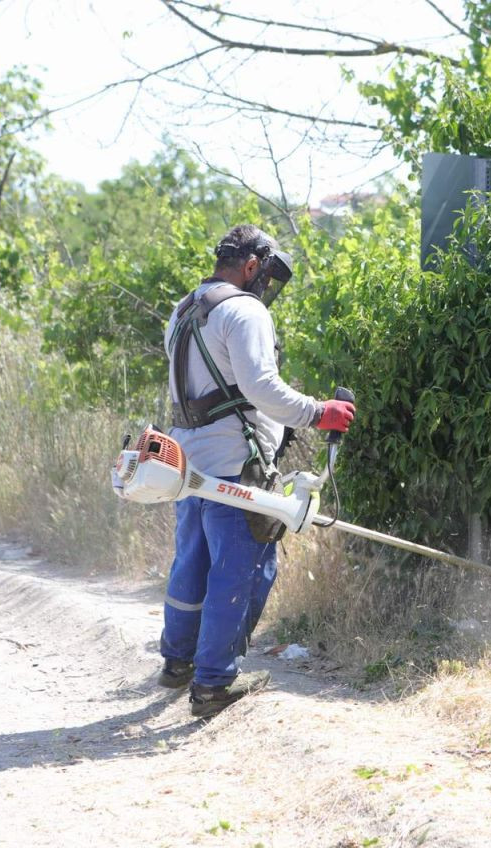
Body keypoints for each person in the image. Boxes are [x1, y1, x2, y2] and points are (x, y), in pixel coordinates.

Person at [158, 224, 355, 718]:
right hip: (234, 468)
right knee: (241, 570)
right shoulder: (245, 311)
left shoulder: (184, 309)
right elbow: (261, 386)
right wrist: (319, 412)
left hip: (188, 466)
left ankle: (178, 662)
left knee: (191, 564)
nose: (267, 286)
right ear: (251, 266)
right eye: (266, 275)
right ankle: (213, 683)